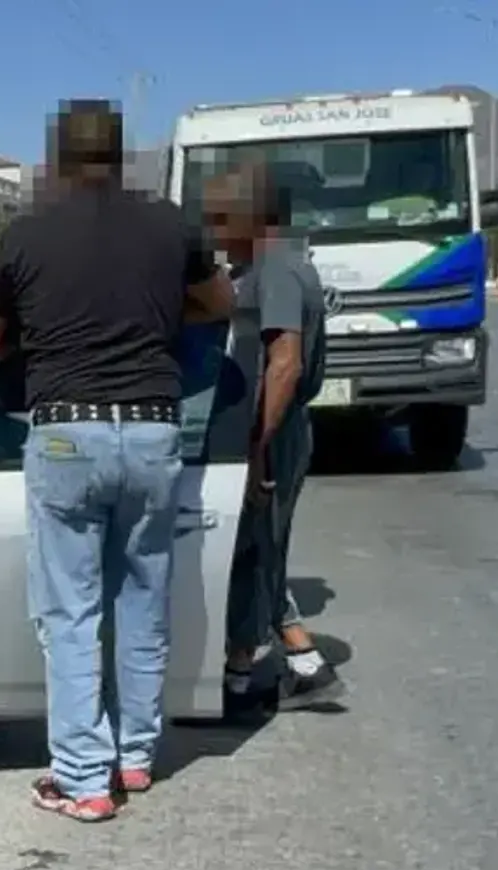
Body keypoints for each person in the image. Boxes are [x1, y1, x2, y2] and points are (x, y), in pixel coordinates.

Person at [0, 99, 233, 822]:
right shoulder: (168, 223)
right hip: (155, 429)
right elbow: (218, 303)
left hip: (64, 432)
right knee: (143, 598)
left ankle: (85, 778)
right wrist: (156, 313)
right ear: (120, 155)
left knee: (69, 612)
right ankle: (136, 756)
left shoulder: (24, 235)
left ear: (58, 157)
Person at [207, 163, 344, 715]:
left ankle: (301, 662)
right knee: (254, 552)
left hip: (272, 432)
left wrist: (257, 447)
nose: (214, 231)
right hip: (271, 431)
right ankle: (245, 674)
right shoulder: (270, 267)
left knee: (255, 552)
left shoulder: (279, 271)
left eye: (220, 218)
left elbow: (283, 362)